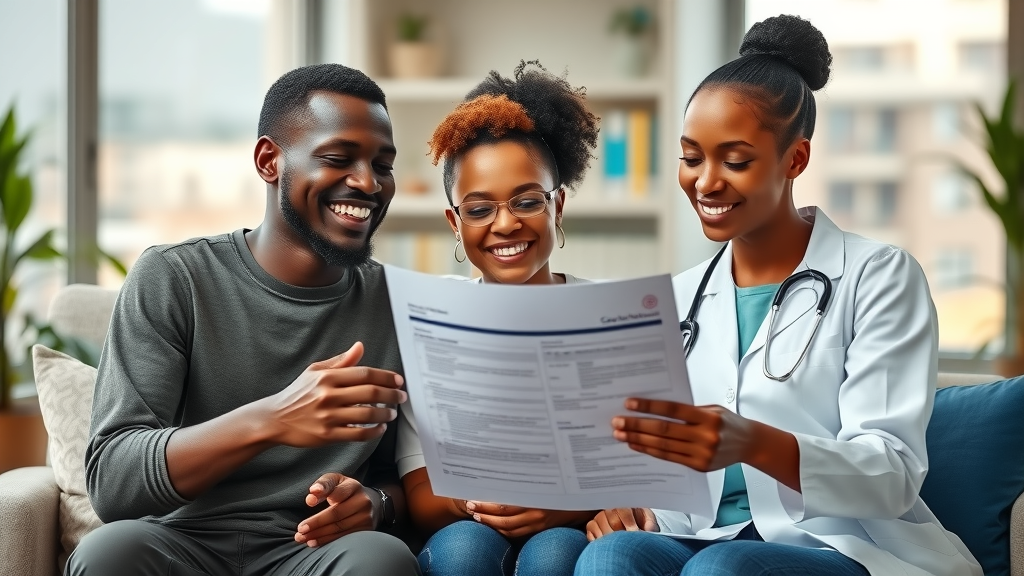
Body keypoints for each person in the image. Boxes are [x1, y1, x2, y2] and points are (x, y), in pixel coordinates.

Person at [575, 15, 982, 576]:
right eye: (691, 157)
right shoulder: (677, 297)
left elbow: (892, 475)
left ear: (795, 160)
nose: (706, 182)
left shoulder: (879, 277)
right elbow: (662, 462)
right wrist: (632, 506)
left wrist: (753, 442)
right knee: (610, 557)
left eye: (735, 161)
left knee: (719, 571)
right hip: (705, 536)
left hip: (840, 544)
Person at [67, 64, 420, 576]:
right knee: (109, 555)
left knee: (382, 560)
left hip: (313, 551)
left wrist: (377, 503)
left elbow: (411, 478)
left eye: (382, 165)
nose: (367, 183)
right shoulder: (174, 277)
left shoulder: (397, 302)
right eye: (339, 159)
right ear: (269, 161)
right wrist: (274, 418)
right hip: (178, 542)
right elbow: (113, 481)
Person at [397, 61, 600, 576]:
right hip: (464, 524)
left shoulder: (606, 316)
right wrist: (469, 503)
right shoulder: (433, 319)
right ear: (454, 223)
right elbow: (419, 488)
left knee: (554, 554)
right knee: (464, 551)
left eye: (527, 201)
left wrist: (562, 509)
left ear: (558, 207)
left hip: (570, 527)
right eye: (479, 209)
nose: (505, 223)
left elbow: (642, 471)